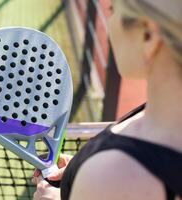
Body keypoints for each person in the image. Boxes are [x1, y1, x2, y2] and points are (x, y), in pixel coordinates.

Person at [32, 0, 182, 199]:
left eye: (113, 9)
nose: (109, 21)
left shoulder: (115, 177)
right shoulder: (156, 114)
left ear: (148, 36)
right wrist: (80, 170)